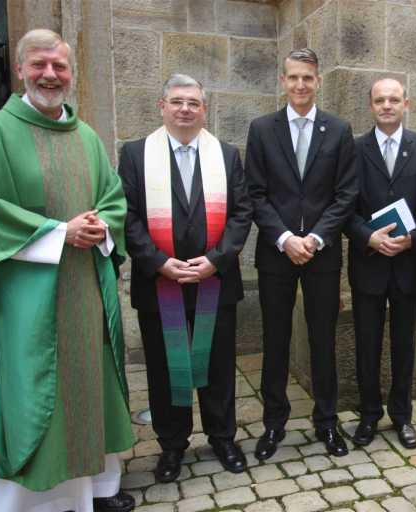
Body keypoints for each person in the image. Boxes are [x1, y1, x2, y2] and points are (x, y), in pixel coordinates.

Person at [0, 29, 135, 512]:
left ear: (71, 73)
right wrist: (58, 233)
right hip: (25, 293)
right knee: (30, 387)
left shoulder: (86, 136)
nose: (50, 74)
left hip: (84, 287)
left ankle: (98, 489)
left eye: (59, 66)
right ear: (20, 69)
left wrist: (101, 226)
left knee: (91, 383)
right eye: (39, 64)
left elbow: (113, 197)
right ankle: (29, 501)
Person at [118, 74, 253, 482]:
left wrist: (216, 260)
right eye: (177, 101)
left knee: (218, 367)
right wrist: (159, 261)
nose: (185, 109)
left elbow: (241, 213)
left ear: (204, 110)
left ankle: (223, 438)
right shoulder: (136, 154)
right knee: (165, 369)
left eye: (193, 103)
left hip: (215, 281)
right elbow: (127, 215)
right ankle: (173, 445)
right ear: (161, 106)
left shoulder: (226, 155)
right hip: (160, 283)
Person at [245, 48, 358, 459]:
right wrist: (284, 238)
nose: (300, 84)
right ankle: (274, 424)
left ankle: (327, 421)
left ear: (318, 81)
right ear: (283, 81)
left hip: (321, 255)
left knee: (322, 339)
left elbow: (346, 194)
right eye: (293, 77)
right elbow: (255, 193)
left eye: (307, 78)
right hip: (276, 254)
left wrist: (317, 238)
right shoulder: (262, 129)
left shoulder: (339, 130)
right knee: (275, 340)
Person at [344, 78, 416, 449]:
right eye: (380, 100)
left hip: (407, 265)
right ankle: (368, 414)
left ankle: (402, 415)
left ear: (406, 104)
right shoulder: (352, 149)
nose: (386, 105)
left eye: (394, 99)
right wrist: (368, 237)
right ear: (371, 105)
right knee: (366, 344)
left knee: (404, 344)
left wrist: (413, 239)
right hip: (368, 264)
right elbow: (342, 207)